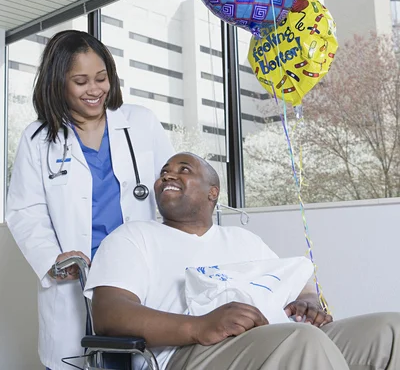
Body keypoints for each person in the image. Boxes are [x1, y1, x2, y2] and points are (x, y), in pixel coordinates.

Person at [86, 152, 400, 370]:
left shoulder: (244, 240)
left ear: (213, 193)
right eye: (164, 171)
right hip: (187, 355)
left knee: (390, 329)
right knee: (301, 341)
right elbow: (108, 314)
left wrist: (309, 302)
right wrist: (199, 326)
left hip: (280, 338)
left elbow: (297, 287)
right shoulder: (133, 237)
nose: (167, 174)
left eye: (184, 169)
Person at [6, 30, 174, 370]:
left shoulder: (140, 122)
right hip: (79, 278)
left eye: (101, 78)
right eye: (80, 81)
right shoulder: (38, 139)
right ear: (58, 83)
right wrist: (52, 259)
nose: (95, 90)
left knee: (146, 358)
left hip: (140, 272)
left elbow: (170, 189)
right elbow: (25, 211)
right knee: (86, 358)